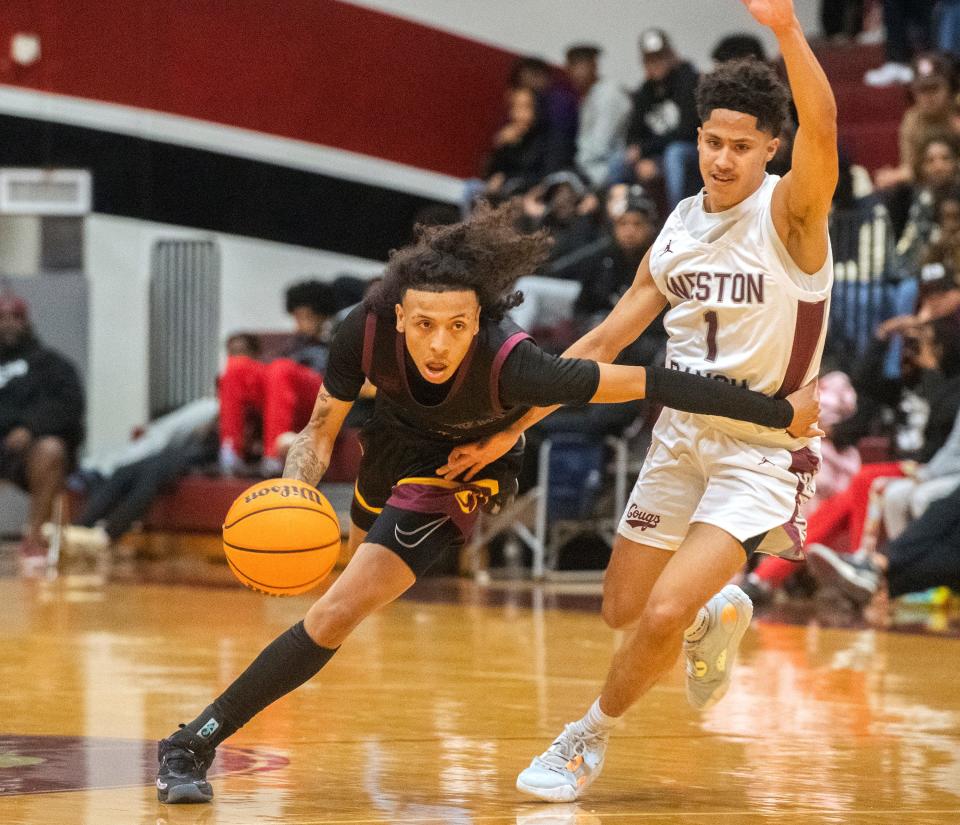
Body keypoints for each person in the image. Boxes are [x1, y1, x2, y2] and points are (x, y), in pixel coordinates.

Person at [154, 202, 821, 805]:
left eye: (458, 325)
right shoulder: (361, 330)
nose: (440, 343)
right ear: (396, 318)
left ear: (480, 320)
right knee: (339, 582)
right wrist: (297, 486)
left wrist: (775, 410)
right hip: (391, 445)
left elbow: (654, 380)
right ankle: (705, 609)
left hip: (461, 469)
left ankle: (190, 741)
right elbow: (321, 429)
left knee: (335, 611)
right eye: (423, 325)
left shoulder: (517, 363)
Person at [441, 0, 837, 802]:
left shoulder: (792, 215)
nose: (723, 159)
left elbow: (823, 125)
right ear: (696, 139)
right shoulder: (679, 227)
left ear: (772, 147)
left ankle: (583, 739)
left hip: (761, 451)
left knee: (655, 616)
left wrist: (788, 31)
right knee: (625, 607)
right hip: (680, 439)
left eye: (741, 145)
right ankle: (711, 615)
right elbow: (595, 351)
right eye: (711, 141)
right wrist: (504, 434)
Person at [218, 280, 340, 477]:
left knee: (280, 368)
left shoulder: (337, 338)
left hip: (320, 396)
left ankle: (274, 456)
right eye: (297, 316)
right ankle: (230, 452)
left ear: (322, 316)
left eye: (307, 316)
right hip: (284, 394)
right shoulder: (292, 343)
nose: (300, 322)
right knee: (238, 367)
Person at [0, 293, 85, 561]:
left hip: (31, 451)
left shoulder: (52, 364)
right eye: (2, 318)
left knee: (51, 451)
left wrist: (30, 427)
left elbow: (70, 406)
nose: (9, 323)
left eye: (16, 317)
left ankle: (35, 539)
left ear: (26, 323)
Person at [621, 28, 701, 209]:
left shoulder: (688, 81)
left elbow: (687, 131)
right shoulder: (644, 91)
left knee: (674, 154)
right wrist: (639, 155)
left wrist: (645, 149)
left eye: (659, 57)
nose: (655, 64)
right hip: (657, 153)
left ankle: (678, 218)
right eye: (650, 59)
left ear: (671, 56)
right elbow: (632, 134)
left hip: (690, 149)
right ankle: (624, 221)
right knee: (617, 163)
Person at [565, 44, 632, 189]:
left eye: (580, 65)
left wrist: (575, 167)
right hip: (590, 168)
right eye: (571, 66)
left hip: (610, 167)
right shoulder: (587, 97)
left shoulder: (609, 93)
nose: (575, 73)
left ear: (594, 65)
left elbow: (601, 145)